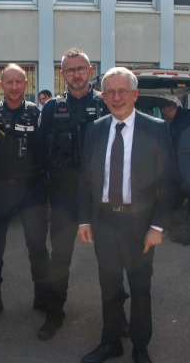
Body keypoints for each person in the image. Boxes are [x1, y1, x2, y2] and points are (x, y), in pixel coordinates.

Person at [77, 67, 177, 363]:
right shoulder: (95, 128)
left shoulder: (156, 128)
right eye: (110, 92)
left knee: (140, 287)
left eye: (123, 92)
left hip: (140, 223)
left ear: (135, 95)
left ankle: (140, 347)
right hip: (105, 220)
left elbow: (168, 181)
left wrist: (158, 226)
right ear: (103, 96)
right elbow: (85, 178)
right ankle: (110, 343)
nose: (116, 97)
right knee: (108, 286)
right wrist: (84, 219)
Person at [36, 48, 115, 341]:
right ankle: (54, 312)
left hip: (103, 195)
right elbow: (40, 150)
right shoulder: (50, 108)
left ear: (91, 69)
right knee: (60, 257)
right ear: (62, 74)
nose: (77, 74)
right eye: (70, 70)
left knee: (111, 260)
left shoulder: (108, 102)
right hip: (65, 197)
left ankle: (116, 318)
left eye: (81, 68)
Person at [0, 63, 50, 325]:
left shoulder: (39, 115)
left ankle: (41, 295)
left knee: (38, 247)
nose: (15, 86)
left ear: (26, 85)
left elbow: (47, 152)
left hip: (31, 190)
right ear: (1, 85)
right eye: (10, 82)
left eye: (20, 82)